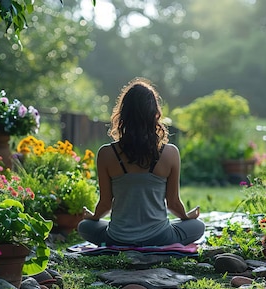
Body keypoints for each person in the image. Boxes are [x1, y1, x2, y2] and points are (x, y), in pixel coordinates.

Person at [77, 78, 205, 247]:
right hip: (160, 238)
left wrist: (92, 217)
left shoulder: (106, 154)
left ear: (122, 114)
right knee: (198, 226)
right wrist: (187, 217)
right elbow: (173, 202)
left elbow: (105, 204)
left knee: (84, 226)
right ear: (155, 113)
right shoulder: (171, 153)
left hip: (118, 238)